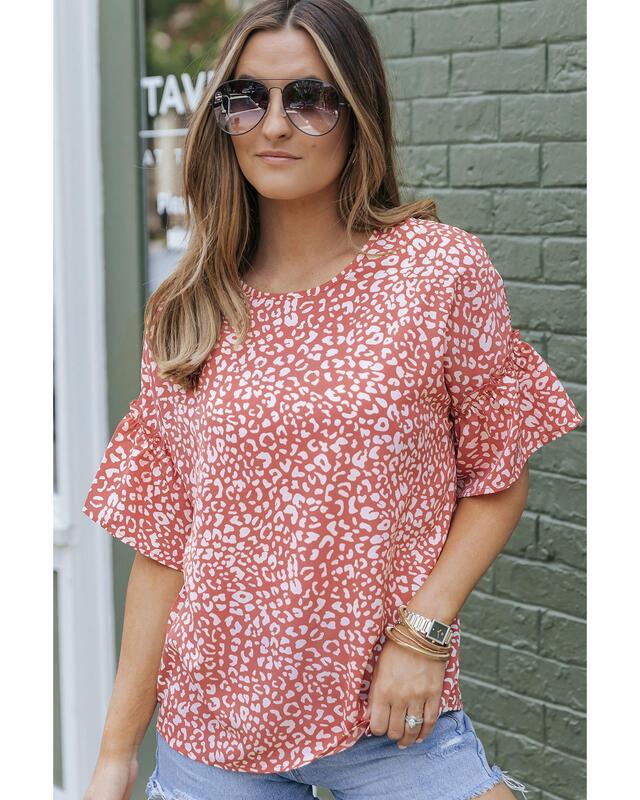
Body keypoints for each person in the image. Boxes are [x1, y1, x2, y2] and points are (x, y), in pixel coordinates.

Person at [81, 1, 583, 798]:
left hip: (393, 722)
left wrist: (423, 632)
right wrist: (115, 754)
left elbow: (497, 471)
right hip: (214, 727)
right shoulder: (188, 307)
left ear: (358, 113)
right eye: (247, 98)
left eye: (309, 98)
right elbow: (166, 541)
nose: (275, 124)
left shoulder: (436, 271)